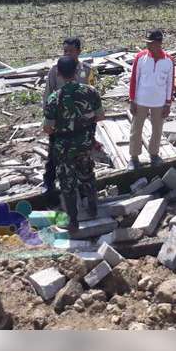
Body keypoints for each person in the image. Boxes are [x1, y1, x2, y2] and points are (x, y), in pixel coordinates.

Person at [43, 55, 106, 236]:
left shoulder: (54, 98)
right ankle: (93, 208)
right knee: (87, 175)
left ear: (60, 74)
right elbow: (101, 116)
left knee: (67, 183)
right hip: (85, 143)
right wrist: (84, 122)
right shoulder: (91, 92)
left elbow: (47, 128)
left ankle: (73, 221)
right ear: (77, 71)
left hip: (63, 147)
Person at [42, 37, 95, 201]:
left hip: (81, 125)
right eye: (65, 51)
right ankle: (49, 184)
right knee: (53, 155)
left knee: (82, 157)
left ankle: (83, 188)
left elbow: (93, 97)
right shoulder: (55, 71)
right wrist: (49, 119)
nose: (67, 54)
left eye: (70, 51)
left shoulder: (87, 71)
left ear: (79, 52)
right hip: (60, 124)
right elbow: (47, 96)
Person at [128, 29, 175, 169]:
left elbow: (170, 83)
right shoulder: (140, 57)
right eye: (147, 43)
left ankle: (154, 155)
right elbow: (134, 80)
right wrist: (132, 100)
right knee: (136, 129)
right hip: (140, 100)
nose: (148, 46)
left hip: (159, 102)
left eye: (151, 43)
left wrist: (168, 103)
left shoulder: (169, 61)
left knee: (157, 129)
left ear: (159, 43)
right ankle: (134, 157)